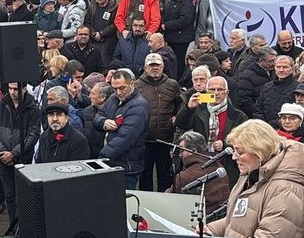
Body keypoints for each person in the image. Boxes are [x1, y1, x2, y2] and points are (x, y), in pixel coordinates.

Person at [0, 83, 40, 222]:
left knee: (23, 196)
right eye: (10, 89)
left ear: (23, 89)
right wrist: (3, 152)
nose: (12, 92)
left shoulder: (32, 108)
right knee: (9, 195)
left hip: (23, 159)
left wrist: (14, 153)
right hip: (3, 159)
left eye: (16, 89)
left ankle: (24, 225)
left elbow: (33, 135)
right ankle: (12, 223)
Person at [94, 69, 149, 189]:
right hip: (112, 163)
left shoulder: (138, 106)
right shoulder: (113, 99)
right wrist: (104, 122)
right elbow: (98, 116)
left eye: (122, 88)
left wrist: (102, 157)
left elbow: (126, 138)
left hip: (126, 166)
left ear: (132, 84)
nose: (118, 92)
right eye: (114, 89)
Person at [136, 53, 182, 192]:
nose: (154, 68)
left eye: (157, 65)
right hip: (144, 140)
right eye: (151, 65)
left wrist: (176, 116)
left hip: (165, 139)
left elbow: (180, 103)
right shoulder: (137, 85)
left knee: (165, 176)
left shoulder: (172, 84)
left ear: (163, 66)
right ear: (145, 67)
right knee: (145, 175)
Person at [168, 131, 230, 209]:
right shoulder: (219, 167)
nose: (180, 155)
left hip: (199, 218)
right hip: (222, 216)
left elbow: (170, 199)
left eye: (182, 150)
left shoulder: (185, 176)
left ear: (194, 151)